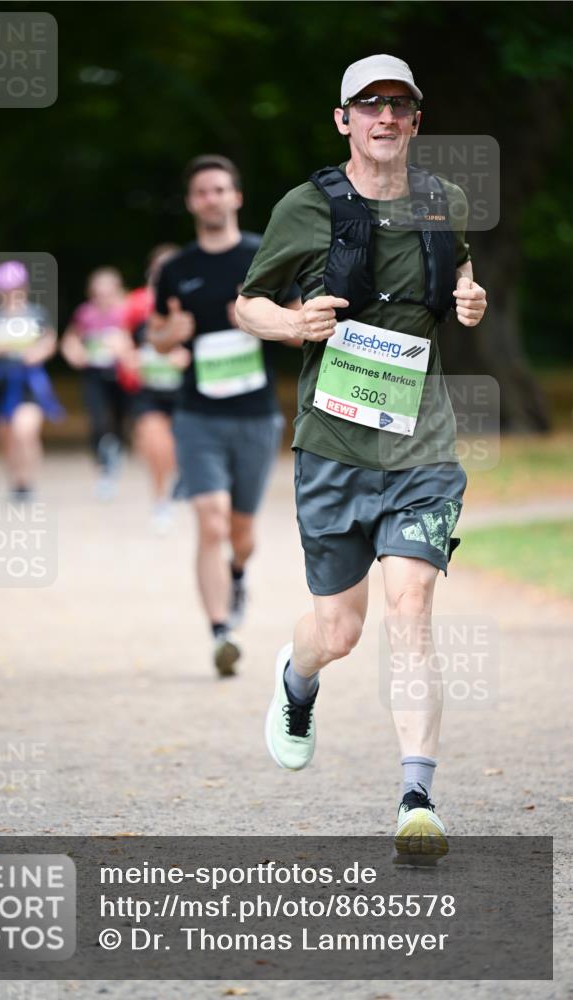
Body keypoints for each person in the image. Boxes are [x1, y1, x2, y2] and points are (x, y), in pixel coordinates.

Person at [236, 55, 487, 857]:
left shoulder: (442, 200)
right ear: (343, 119)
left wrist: (469, 295)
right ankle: (296, 676)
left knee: (410, 608)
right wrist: (290, 324)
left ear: (415, 120)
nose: (385, 117)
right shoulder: (306, 207)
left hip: (422, 446)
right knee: (338, 631)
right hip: (333, 447)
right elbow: (246, 303)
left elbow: (458, 264)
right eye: (369, 105)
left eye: (399, 106)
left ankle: (417, 797)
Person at [149, 155, 299, 677]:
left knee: (241, 533)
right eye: (201, 192)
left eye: (219, 189)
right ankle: (220, 633)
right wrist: (170, 335)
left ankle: (237, 574)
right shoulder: (176, 269)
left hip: (256, 416)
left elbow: (299, 326)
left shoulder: (264, 256)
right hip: (197, 415)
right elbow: (156, 335)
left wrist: (258, 320)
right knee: (210, 521)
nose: (210, 198)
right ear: (191, 203)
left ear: (236, 196)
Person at [0, 260, 63, 501]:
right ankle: (16, 481)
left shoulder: (37, 315)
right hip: (0, 383)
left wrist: (36, 353)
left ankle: (28, 481)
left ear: (25, 288)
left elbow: (49, 343)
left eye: (16, 288)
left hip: (29, 382)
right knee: (6, 436)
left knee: (25, 431)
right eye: (6, 289)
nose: (11, 294)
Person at [121, 244, 189, 534]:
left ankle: (178, 481)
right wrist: (131, 358)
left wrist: (185, 358)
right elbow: (123, 342)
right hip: (149, 392)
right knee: (155, 445)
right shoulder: (138, 309)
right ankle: (161, 501)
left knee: (174, 448)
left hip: (186, 393)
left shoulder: (193, 305)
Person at [61, 268, 136, 499]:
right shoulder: (85, 313)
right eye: (98, 294)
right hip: (93, 375)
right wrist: (75, 352)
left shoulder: (127, 311)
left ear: (118, 291)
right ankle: (103, 469)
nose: (103, 298)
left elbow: (139, 340)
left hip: (121, 375)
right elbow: (71, 338)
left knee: (120, 420)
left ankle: (116, 451)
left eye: (107, 293)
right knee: (97, 421)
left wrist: (124, 348)